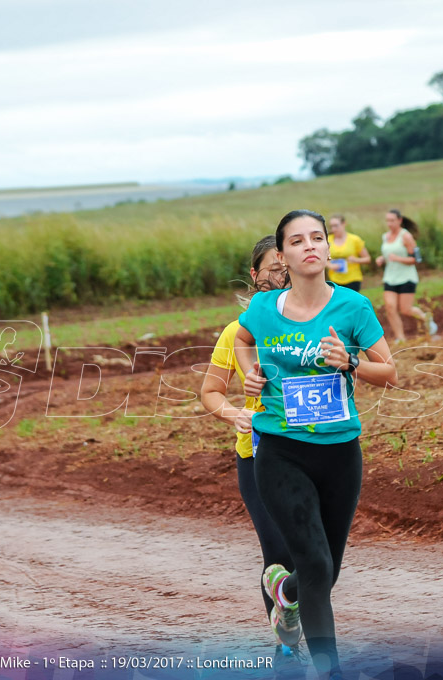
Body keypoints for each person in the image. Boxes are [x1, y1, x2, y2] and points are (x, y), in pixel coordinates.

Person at [234, 209, 397, 678]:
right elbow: (243, 339)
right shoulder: (264, 310)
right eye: (297, 240)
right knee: (314, 561)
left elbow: (389, 373)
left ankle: (287, 597)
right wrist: (250, 370)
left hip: (340, 452)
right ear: (283, 254)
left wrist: (350, 364)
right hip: (281, 450)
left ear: (328, 248)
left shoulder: (353, 308)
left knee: (326, 574)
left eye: (318, 238)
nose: (310, 246)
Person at [200, 235, 299, 655]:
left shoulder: (313, 326)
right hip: (256, 454)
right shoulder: (235, 333)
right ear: (256, 276)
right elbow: (210, 392)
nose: (281, 275)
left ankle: (292, 613)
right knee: (277, 552)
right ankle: (288, 649)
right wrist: (234, 414)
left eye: (286, 266)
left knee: (313, 558)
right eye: (272, 268)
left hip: (313, 451)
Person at [375, 209, 436, 342]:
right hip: (390, 278)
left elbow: (416, 259)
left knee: (406, 309)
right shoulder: (385, 237)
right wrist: (382, 259)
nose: (389, 223)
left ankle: (426, 318)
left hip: (406, 278)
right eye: (387, 220)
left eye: (392, 220)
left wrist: (398, 258)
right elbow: (388, 255)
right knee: (390, 308)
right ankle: (400, 338)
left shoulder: (406, 236)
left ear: (399, 220)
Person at [325, 214, 370, 292]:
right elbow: (323, 258)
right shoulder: (327, 240)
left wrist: (356, 260)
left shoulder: (354, 240)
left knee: (352, 303)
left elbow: (367, 259)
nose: (334, 229)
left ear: (344, 224)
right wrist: (329, 265)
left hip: (353, 278)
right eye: (331, 226)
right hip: (334, 279)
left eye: (336, 226)